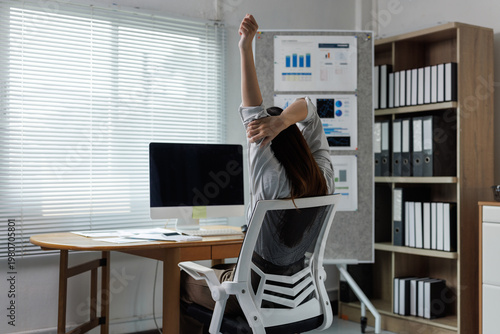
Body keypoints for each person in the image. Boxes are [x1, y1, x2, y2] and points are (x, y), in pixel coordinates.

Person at [180, 14, 335, 333]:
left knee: (184, 279)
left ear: (265, 142)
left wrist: (245, 46)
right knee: (229, 271)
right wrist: (283, 122)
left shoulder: (271, 179)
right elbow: (311, 109)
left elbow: (254, 113)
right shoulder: (323, 175)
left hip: (254, 298)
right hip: (300, 295)